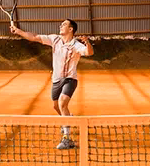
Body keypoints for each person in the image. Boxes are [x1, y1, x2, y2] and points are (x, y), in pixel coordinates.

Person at [10, 19, 93, 149]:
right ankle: (68, 119)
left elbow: (89, 52)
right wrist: (18, 31)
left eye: (64, 24)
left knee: (62, 103)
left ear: (71, 29)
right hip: (56, 80)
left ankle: (67, 139)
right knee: (56, 106)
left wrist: (87, 43)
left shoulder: (76, 45)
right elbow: (34, 37)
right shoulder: (54, 39)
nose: (61, 26)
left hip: (70, 79)